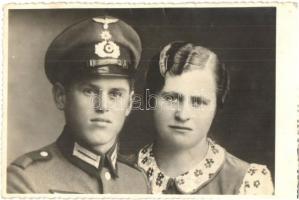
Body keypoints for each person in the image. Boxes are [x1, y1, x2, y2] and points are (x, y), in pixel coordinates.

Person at [7, 16, 149, 194]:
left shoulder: (138, 182)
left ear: (129, 104)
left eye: (115, 94)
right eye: (89, 91)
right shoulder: (27, 180)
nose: (102, 106)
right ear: (61, 97)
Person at [137, 41, 274, 194]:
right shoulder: (118, 171)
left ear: (217, 105)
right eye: (171, 99)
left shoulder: (247, 183)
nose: (183, 115)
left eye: (198, 102)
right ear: (150, 100)